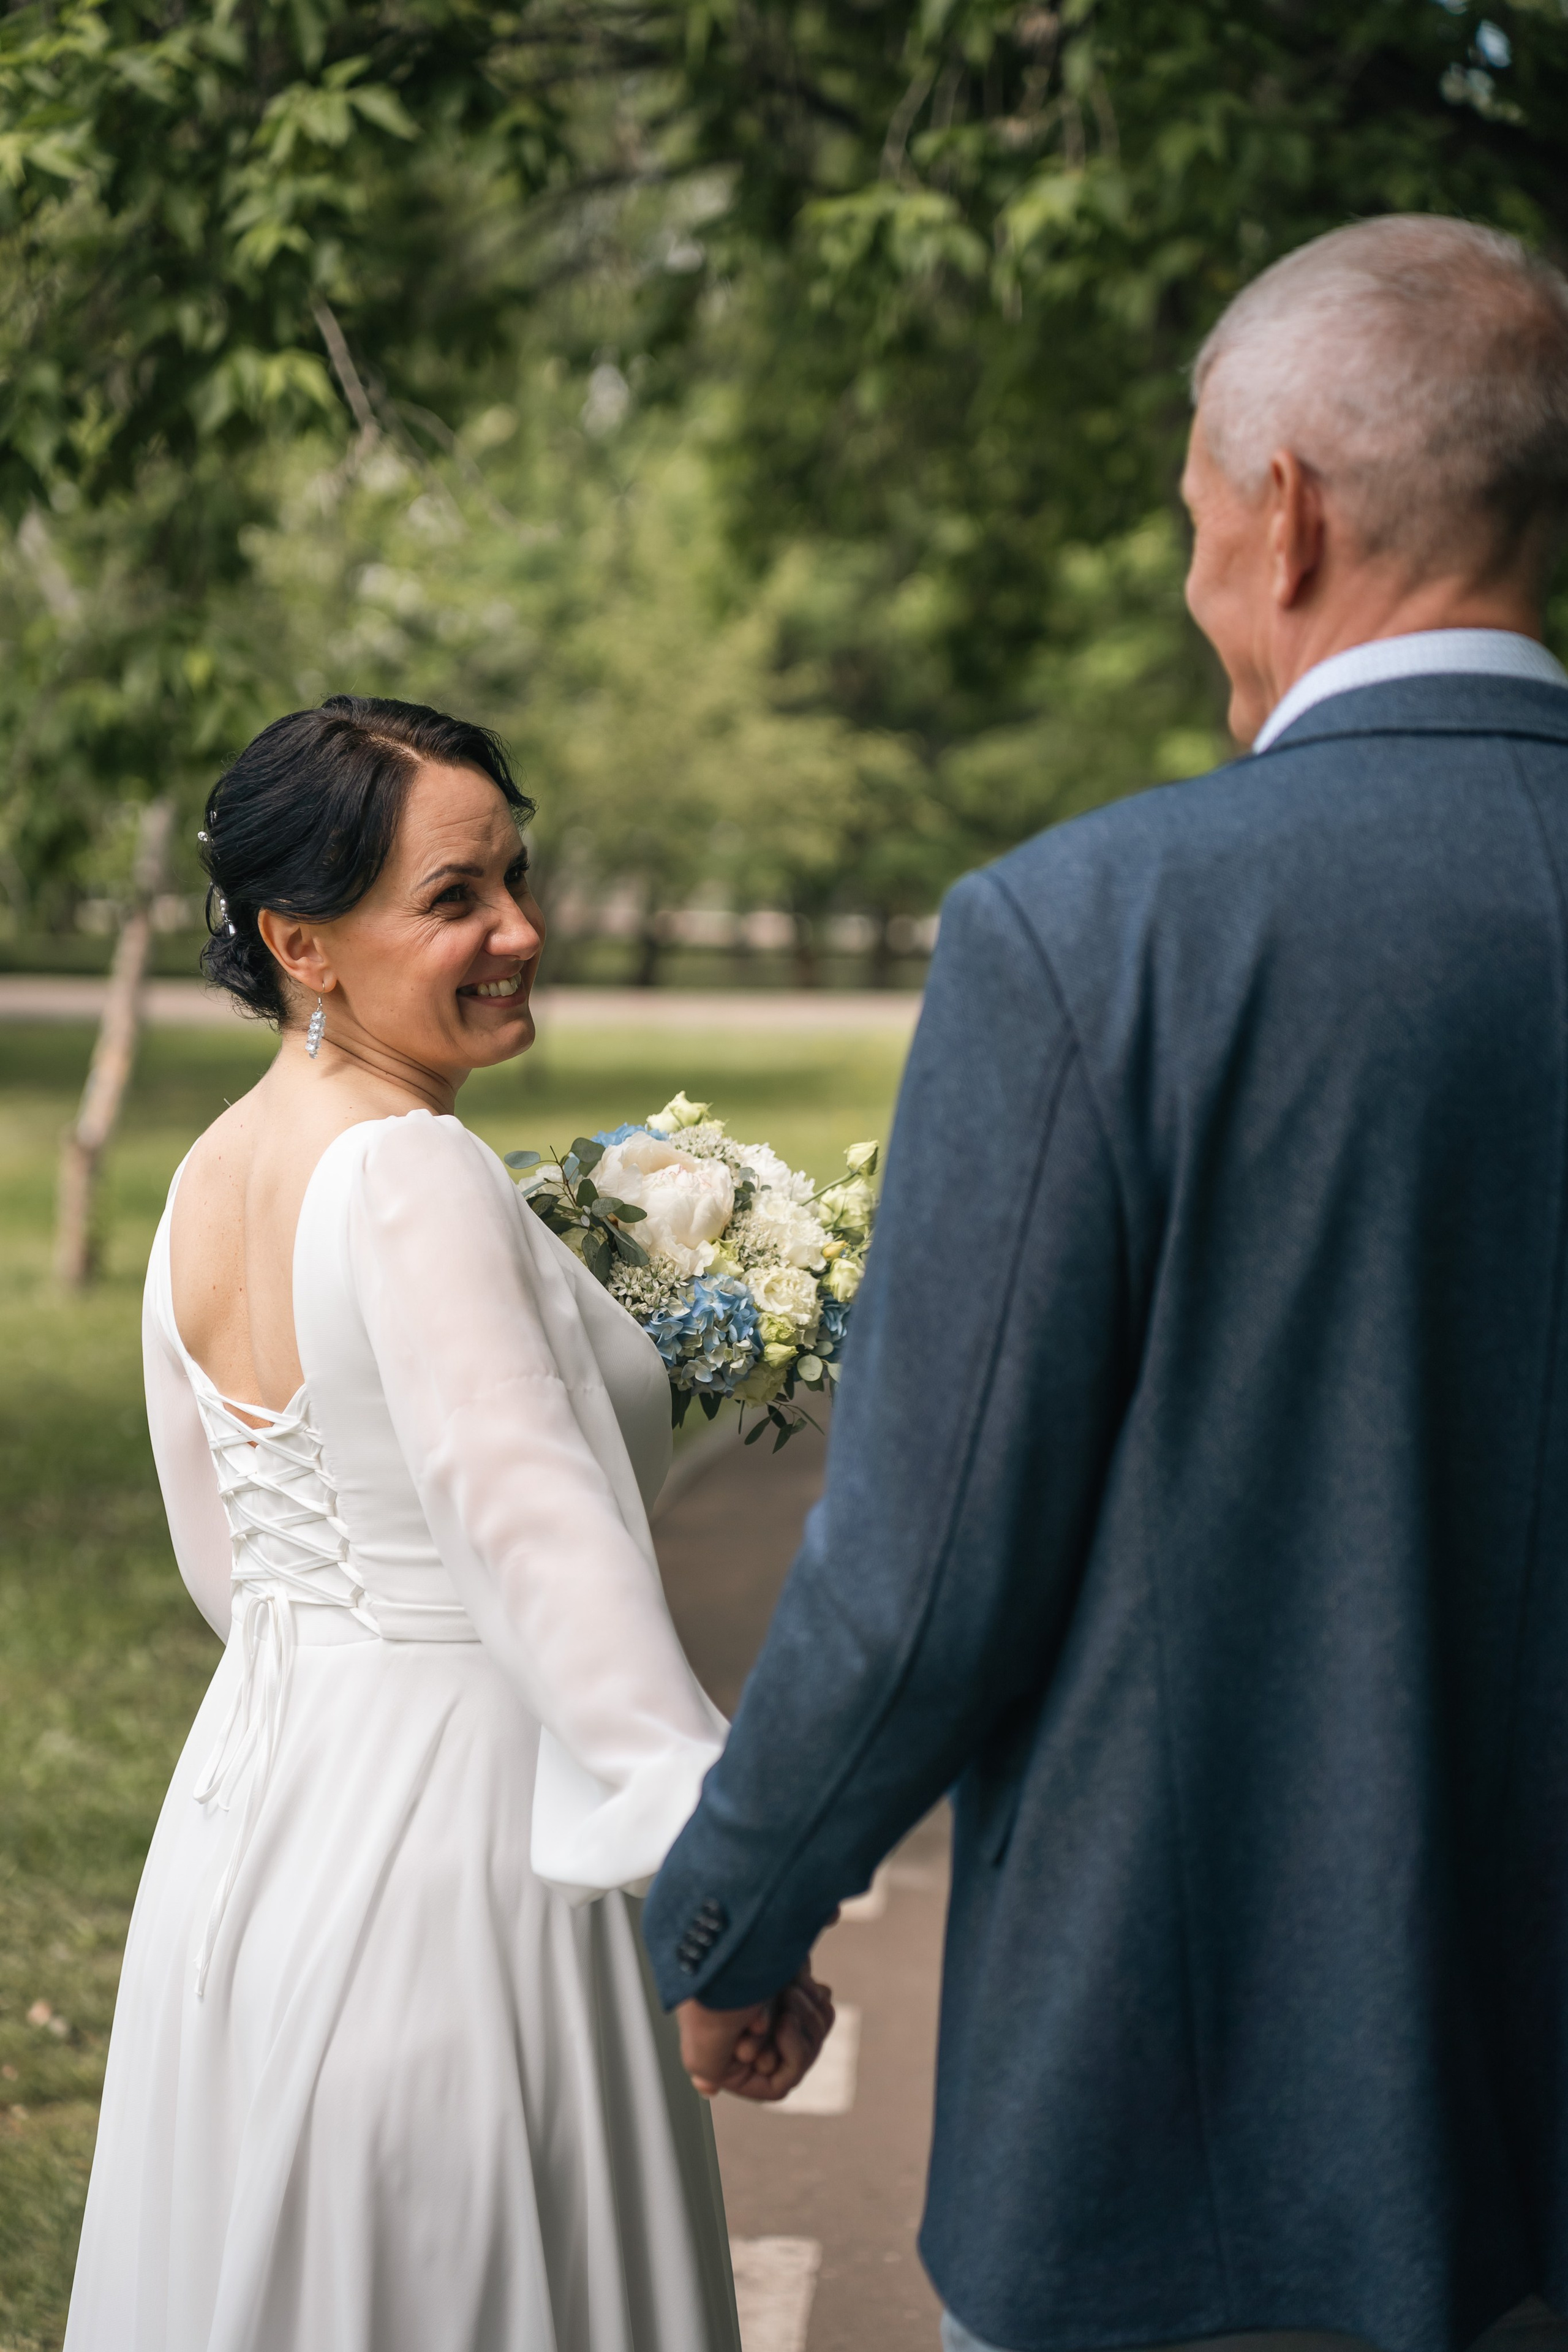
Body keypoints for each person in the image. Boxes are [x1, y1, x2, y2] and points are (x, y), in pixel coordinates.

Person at [643, 214, 1568, 2352]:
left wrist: (738, 1922)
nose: (1187, 589)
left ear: (1287, 515)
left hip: (1191, 2139)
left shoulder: (1098, 932)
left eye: (1186, 527)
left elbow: (922, 1562)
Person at [64, 695, 830, 2352]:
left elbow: (234, 1564)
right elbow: (541, 1546)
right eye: (456, 897)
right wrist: (719, 1892)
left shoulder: (206, 1175)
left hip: (253, 1830)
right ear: (303, 943)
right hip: (467, 1865)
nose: (521, 931)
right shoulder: (409, 1174)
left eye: (517, 879)